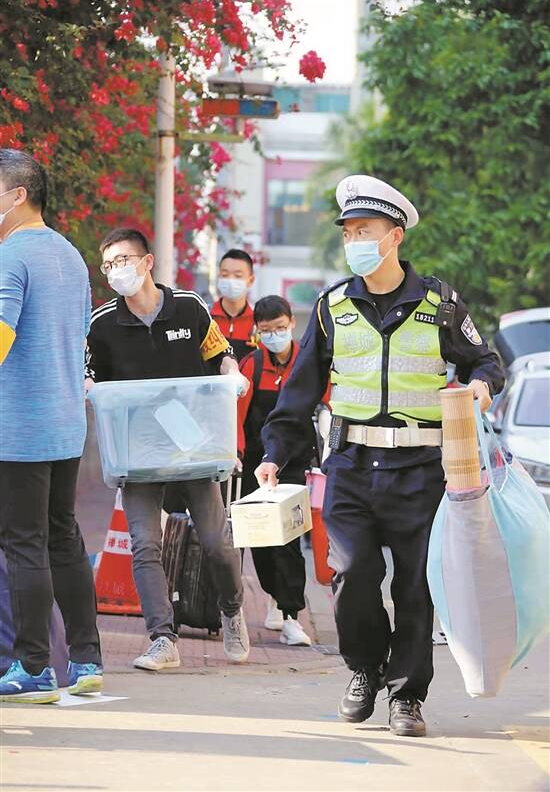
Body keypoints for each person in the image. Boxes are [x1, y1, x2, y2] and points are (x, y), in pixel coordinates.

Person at [255, 174, 505, 736]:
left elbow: (485, 362)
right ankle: (365, 669)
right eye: (348, 233)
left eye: (364, 231)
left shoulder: (439, 303)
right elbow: (299, 389)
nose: (354, 242)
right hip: (350, 468)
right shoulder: (332, 307)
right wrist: (274, 451)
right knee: (351, 575)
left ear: (394, 237)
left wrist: (481, 386)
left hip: (421, 471)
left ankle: (407, 696)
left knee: (415, 586)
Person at [86, 227, 250, 670]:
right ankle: (162, 638)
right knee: (145, 544)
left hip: (191, 443)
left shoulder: (188, 307)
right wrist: (88, 387)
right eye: (108, 265)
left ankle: (232, 609)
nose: (116, 271)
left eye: (123, 260)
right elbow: (88, 372)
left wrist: (232, 373)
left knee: (215, 541)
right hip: (136, 449)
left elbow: (220, 352)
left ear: (147, 262)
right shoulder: (102, 324)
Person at [0, 149, 102, 703]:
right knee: (63, 537)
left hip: (19, 426)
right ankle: (86, 662)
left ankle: (34, 668)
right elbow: (78, 335)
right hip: (65, 422)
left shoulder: (11, 255)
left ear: (18, 195)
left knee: (23, 543)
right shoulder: (70, 255)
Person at [237, 296, 324, 647]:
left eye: (280, 328)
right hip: (255, 466)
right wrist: (237, 455)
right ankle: (274, 595)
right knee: (260, 542)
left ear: (292, 323)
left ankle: (291, 616)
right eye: (267, 330)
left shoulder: (309, 362)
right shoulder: (252, 366)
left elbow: (329, 402)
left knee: (288, 542)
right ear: (257, 332)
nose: (275, 335)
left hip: (294, 465)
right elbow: (237, 416)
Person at [211, 249, 257, 362]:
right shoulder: (205, 317)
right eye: (225, 275)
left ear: (251, 280)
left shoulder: (258, 325)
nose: (230, 280)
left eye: (238, 275)